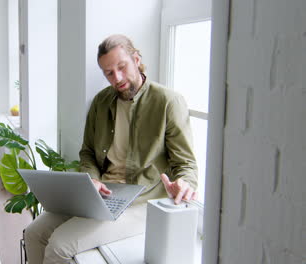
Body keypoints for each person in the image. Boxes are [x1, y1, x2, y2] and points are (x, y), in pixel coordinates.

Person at [24, 34, 198, 264]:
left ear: (136, 59)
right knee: (34, 233)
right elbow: (87, 152)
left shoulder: (168, 102)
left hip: (141, 202)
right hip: (102, 196)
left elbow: (186, 163)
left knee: (59, 246)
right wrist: (93, 180)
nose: (117, 78)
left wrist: (185, 184)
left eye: (122, 67)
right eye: (108, 73)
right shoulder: (101, 102)